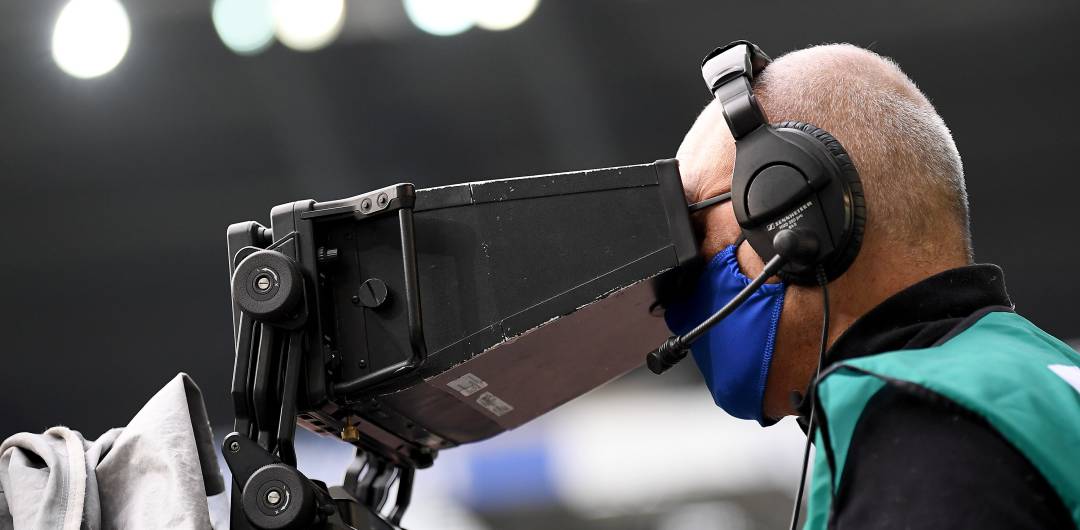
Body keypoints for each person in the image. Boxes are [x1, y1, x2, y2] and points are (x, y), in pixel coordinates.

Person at [672, 43, 1080, 529]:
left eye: (695, 228)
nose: (675, 285)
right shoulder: (1031, 376)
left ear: (791, 212)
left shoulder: (922, 428)